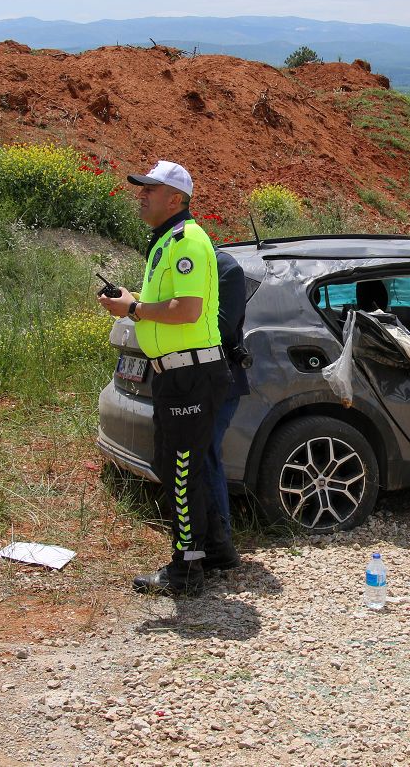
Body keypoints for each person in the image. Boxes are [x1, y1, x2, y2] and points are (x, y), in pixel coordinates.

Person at [97, 160, 235, 596]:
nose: (141, 195)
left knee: (180, 470)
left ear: (175, 199)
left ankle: (186, 569)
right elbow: (168, 303)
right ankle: (212, 552)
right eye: (142, 188)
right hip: (177, 374)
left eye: (150, 190)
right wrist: (131, 298)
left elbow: (187, 311)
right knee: (174, 464)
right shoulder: (165, 242)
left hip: (191, 373)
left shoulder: (188, 239)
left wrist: (134, 310)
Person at [203, 249, 250, 573]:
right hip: (190, 382)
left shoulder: (226, 269)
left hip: (220, 380)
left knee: (206, 457)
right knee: (202, 458)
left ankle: (219, 544)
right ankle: (209, 542)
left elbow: (221, 329)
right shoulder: (191, 268)